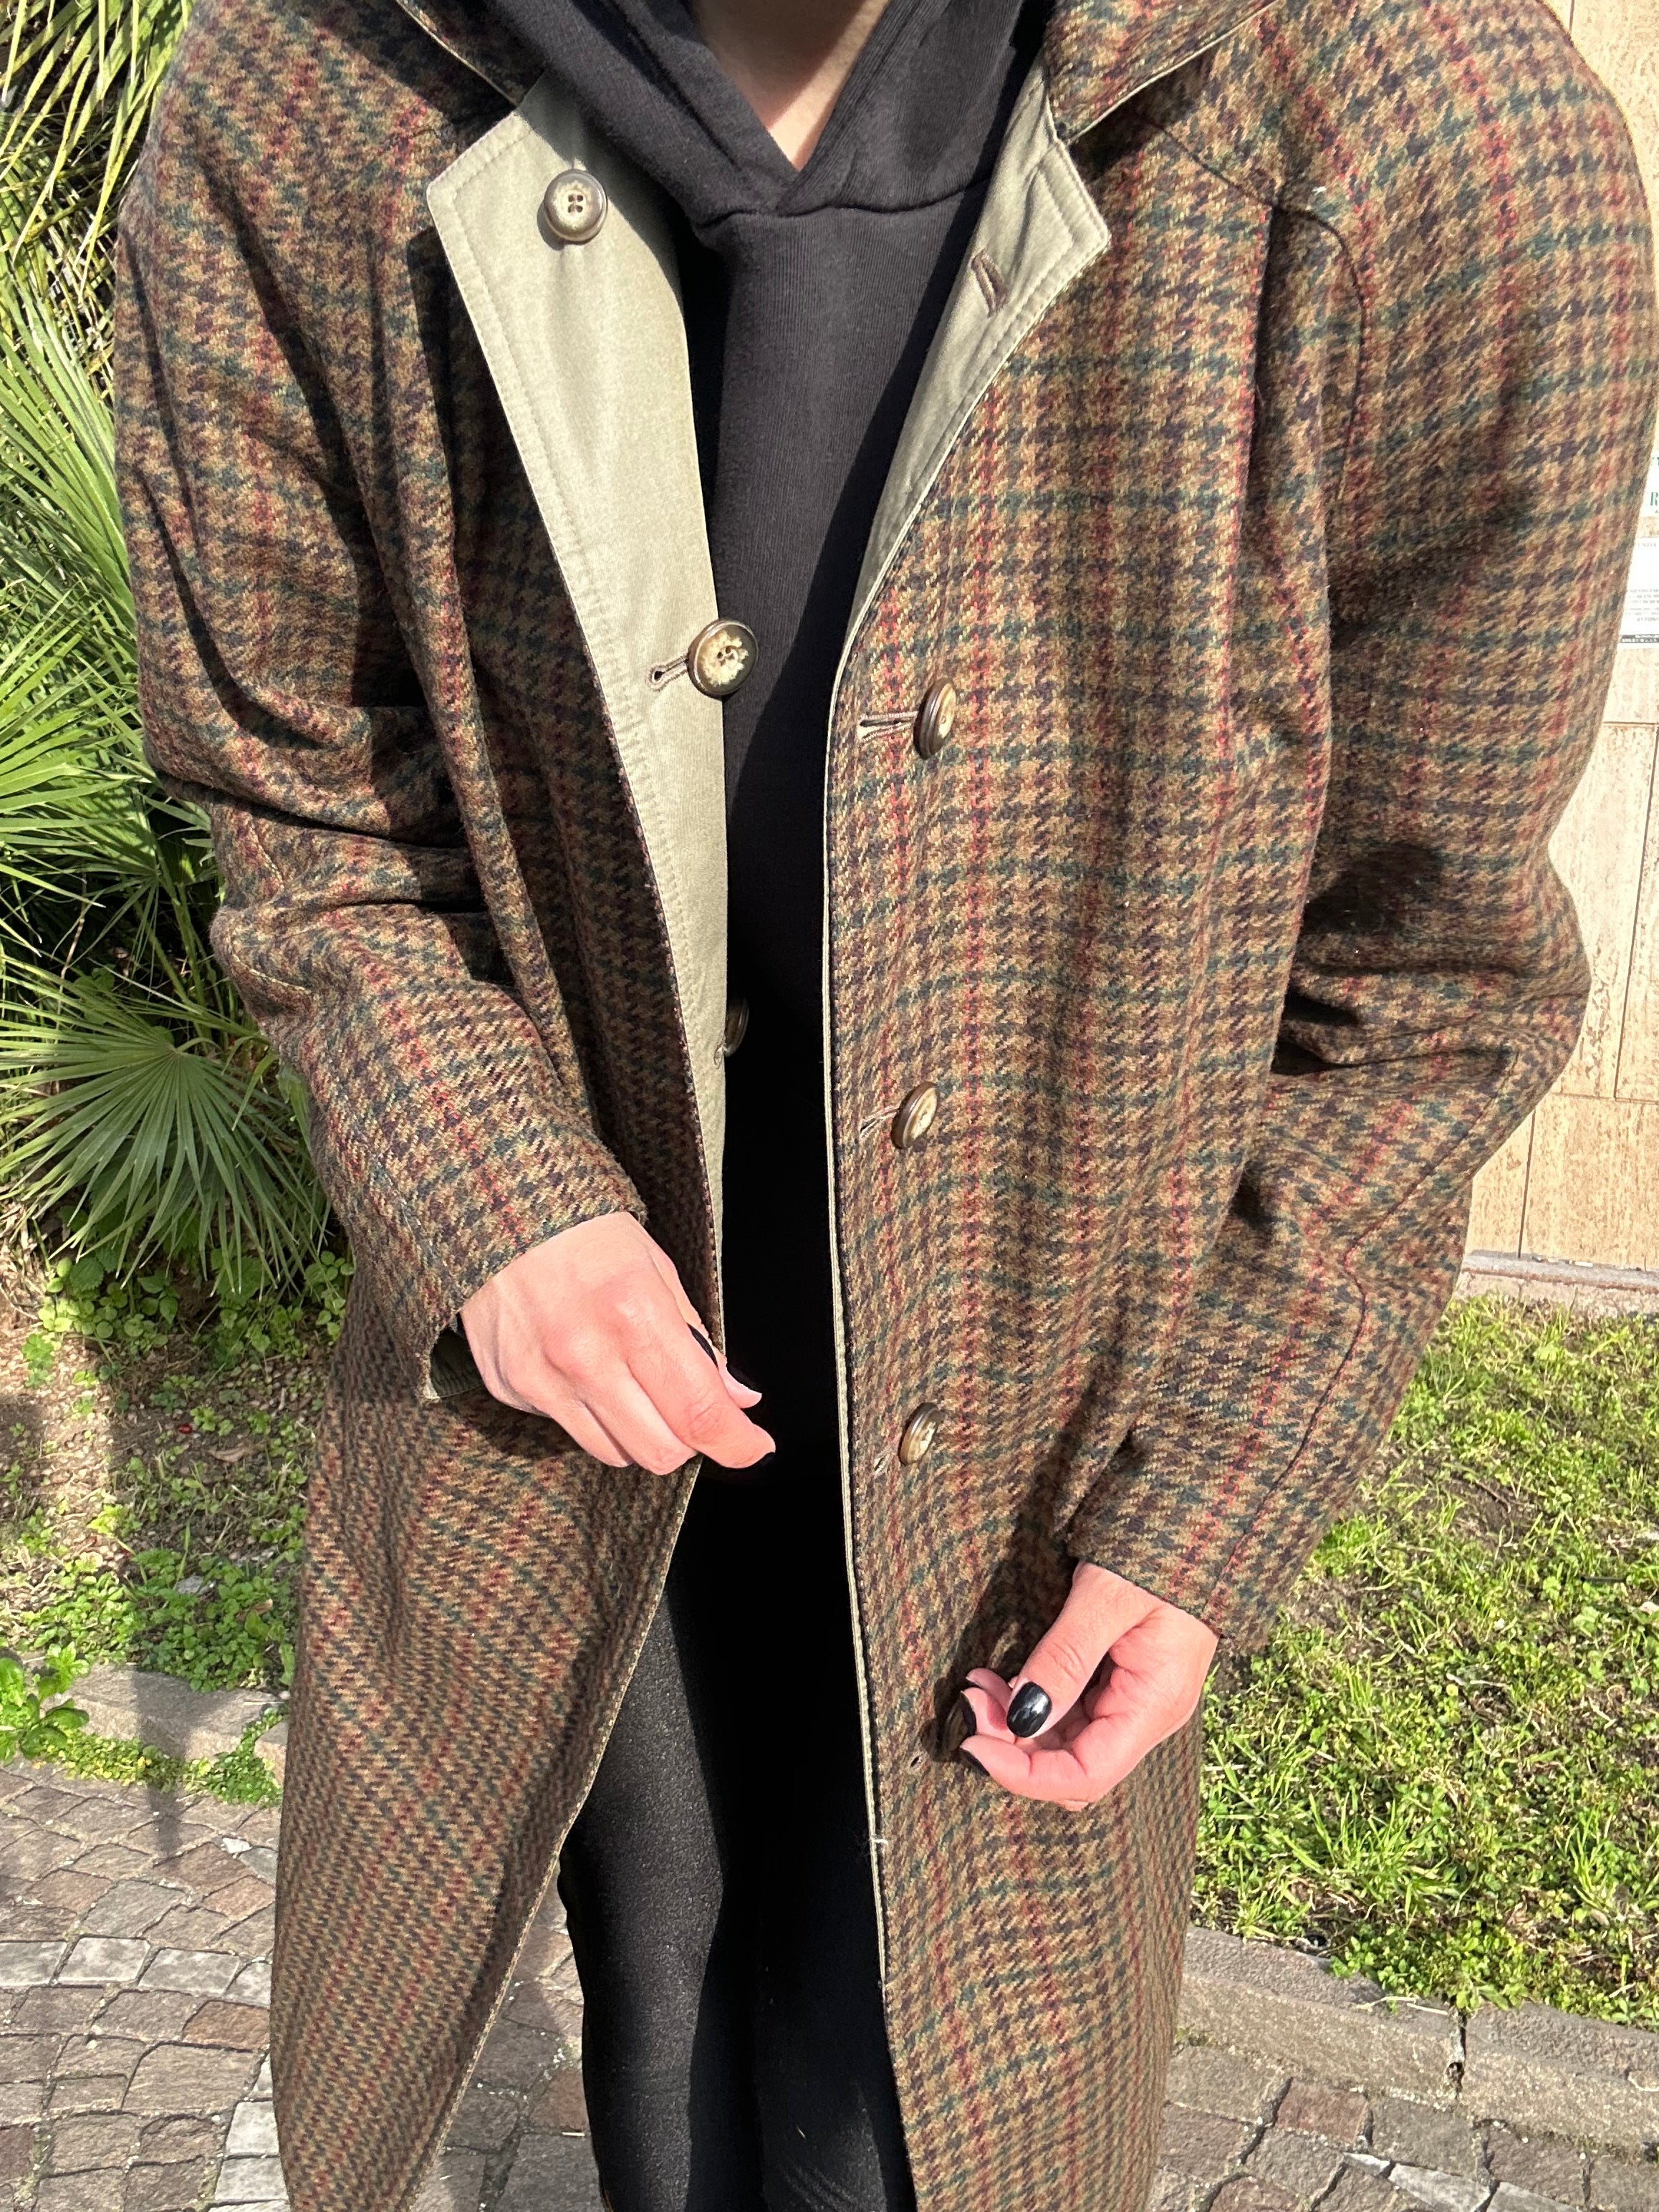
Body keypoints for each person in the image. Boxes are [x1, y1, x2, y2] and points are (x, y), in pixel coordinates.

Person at [112, 0, 1655, 2203]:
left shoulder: (1428, 132)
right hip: (571, 1369)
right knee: (654, 1982)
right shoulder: (310, 90)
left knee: (933, 2089)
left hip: (1059, 1386)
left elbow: (1426, 977)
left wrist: (1213, 1487)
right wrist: (485, 1183)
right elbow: (299, 792)